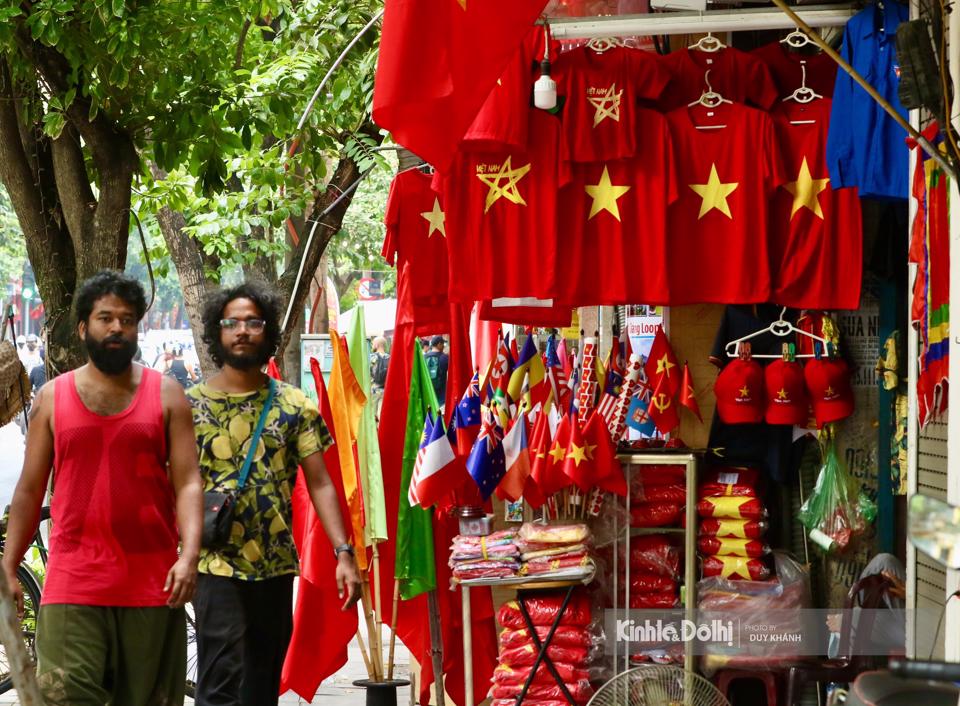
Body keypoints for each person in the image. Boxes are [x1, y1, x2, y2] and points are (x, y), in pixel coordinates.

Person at [2, 270, 203, 705]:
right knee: (66, 698)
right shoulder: (52, 399)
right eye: (105, 317)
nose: (116, 327)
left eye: (127, 319)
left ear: (136, 328)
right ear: (83, 328)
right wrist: (9, 565)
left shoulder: (168, 396)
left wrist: (189, 556)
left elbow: (188, 482)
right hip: (74, 583)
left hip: (153, 586)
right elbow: (29, 488)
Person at [187, 282, 362, 706]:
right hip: (214, 562)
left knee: (262, 684)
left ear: (268, 333)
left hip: (275, 565)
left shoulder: (293, 404)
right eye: (232, 323)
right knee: (219, 683)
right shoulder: (187, 405)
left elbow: (320, 482)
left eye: (253, 322)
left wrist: (343, 553)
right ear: (217, 332)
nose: (242, 331)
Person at [424, 334, 449, 403]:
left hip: (428, 394)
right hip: (442, 396)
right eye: (443, 344)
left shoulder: (424, 357)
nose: (444, 346)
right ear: (439, 344)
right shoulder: (445, 358)